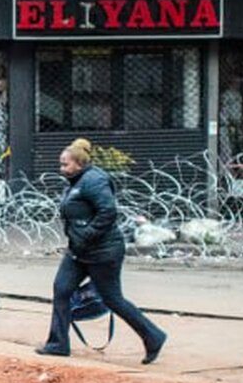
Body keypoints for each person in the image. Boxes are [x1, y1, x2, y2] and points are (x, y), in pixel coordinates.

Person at [37, 138, 166, 364]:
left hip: (102, 252)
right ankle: (58, 343)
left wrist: (87, 234)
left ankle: (153, 336)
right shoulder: (76, 181)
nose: (61, 169)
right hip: (78, 252)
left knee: (113, 299)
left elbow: (108, 212)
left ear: (79, 163)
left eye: (65, 164)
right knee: (62, 289)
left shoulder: (94, 180)